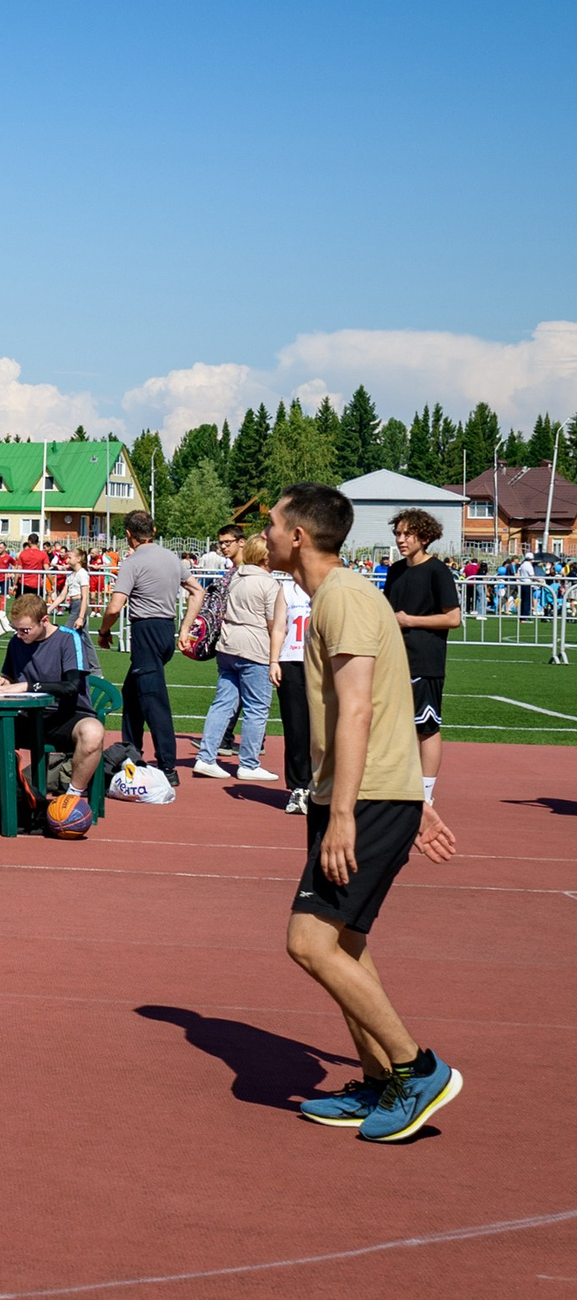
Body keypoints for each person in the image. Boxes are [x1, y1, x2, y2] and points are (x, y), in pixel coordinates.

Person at [266, 483, 463, 1142]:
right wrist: (410, 795)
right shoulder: (339, 595)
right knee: (344, 939)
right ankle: (380, 1082)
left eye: (272, 522)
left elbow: (359, 708)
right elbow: (385, 701)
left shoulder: (344, 597)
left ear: (298, 535)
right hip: (368, 792)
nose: (264, 532)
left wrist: (349, 812)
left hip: (363, 798)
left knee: (308, 940)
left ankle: (417, 1069)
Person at [0, 594, 110, 822]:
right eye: (17, 630)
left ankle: (70, 799)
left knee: (93, 732)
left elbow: (72, 686)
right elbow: (11, 677)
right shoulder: (16, 642)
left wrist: (27, 686)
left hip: (67, 717)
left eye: (25, 630)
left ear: (44, 620)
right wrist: (2, 682)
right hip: (28, 717)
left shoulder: (68, 638)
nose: (20, 635)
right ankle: (8, 792)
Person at [381, 509, 459, 840]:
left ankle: (426, 793)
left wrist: (411, 620)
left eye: (407, 534)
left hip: (425, 659)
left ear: (424, 537)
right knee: (394, 726)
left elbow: (452, 618)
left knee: (426, 727)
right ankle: (398, 786)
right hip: (395, 660)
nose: (400, 540)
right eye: (397, 534)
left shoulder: (437, 572)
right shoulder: (396, 571)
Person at [193, 532, 287, 782]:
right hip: (255, 648)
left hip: (228, 645)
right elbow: (273, 624)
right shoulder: (270, 584)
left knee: (223, 703)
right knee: (257, 707)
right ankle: (249, 762)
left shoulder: (234, 578)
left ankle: (206, 756)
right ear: (267, 557)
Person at [101, 511, 186, 784]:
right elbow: (198, 590)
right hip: (165, 630)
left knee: (153, 700)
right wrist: (185, 627)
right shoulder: (171, 557)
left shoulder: (133, 562)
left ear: (128, 534)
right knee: (133, 694)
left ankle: (167, 767)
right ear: (154, 529)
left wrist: (104, 631)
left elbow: (115, 606)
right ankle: (131, 754)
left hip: (146, 629)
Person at [272, 545, 315, 815]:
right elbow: (278, 627)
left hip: (320, 665)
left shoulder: (325, 588)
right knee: (296, 728)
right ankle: (299, 787)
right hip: (291, 661)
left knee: (322, 730)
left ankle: (321, 785)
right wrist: (274, 660)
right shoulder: (286, 589)